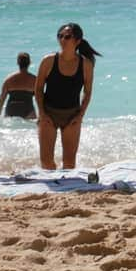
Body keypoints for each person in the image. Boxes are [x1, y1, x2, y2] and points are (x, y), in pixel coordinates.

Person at [34, 23, 101, 169]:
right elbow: (38, 89)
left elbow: (88, 92)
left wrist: (80, 116)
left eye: (67, 37)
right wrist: (42, 114)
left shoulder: (86, 64)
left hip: (72, 115)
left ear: (77, 41)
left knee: (69, 164)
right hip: (49, 114)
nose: (62, 40)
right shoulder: (48, 61)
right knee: (46, 163)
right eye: (60, 36)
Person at [0, 53, 37, 119]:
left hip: (11, 109)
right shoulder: (34, 80)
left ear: (18, 63)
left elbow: (2, 97)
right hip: (28, 108)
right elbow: (39, 97)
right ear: (29, 63)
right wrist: (42, 113)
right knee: (30, 128)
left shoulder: (9, 79)